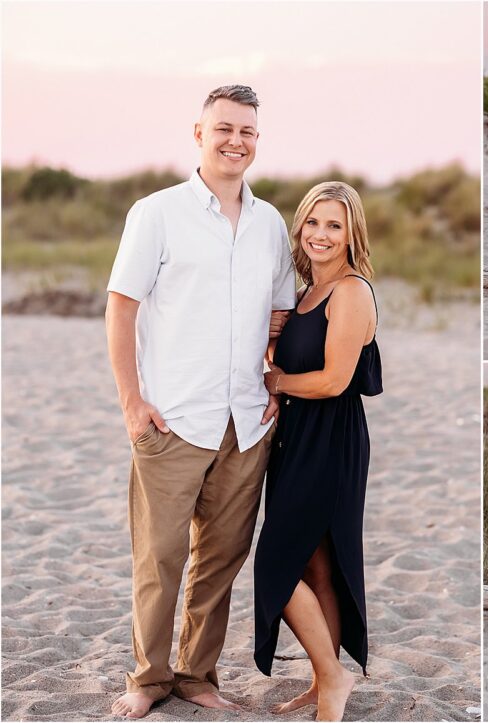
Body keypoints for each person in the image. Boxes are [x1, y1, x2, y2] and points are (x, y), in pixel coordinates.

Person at [105, 85, 296, 718]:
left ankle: (195, 673)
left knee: (220, 559)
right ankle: (147, 678)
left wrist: (272, 377)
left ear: (257, 141)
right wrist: (133, 403)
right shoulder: (156, 213)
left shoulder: (270, 222)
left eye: (247, 131)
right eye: (224, 129)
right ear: (199, 133)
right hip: (173, 418)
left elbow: (280, 311)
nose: (235, 141)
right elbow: (122, 306)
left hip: (245, 422)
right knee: (159, 558)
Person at [253, 181, 381, 721]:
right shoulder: (305, 291)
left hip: (331, 441)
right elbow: (292, 356)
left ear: (352, 232)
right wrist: (275, 348)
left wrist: (277, 383)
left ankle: (334, 678)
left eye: (334, 225)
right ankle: (322, 682)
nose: (321, 235)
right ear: (299, 227)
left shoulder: (351, 291)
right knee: (316, 567)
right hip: (297, 437)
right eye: (313, 223)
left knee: (274, 566)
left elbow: (331, 381)